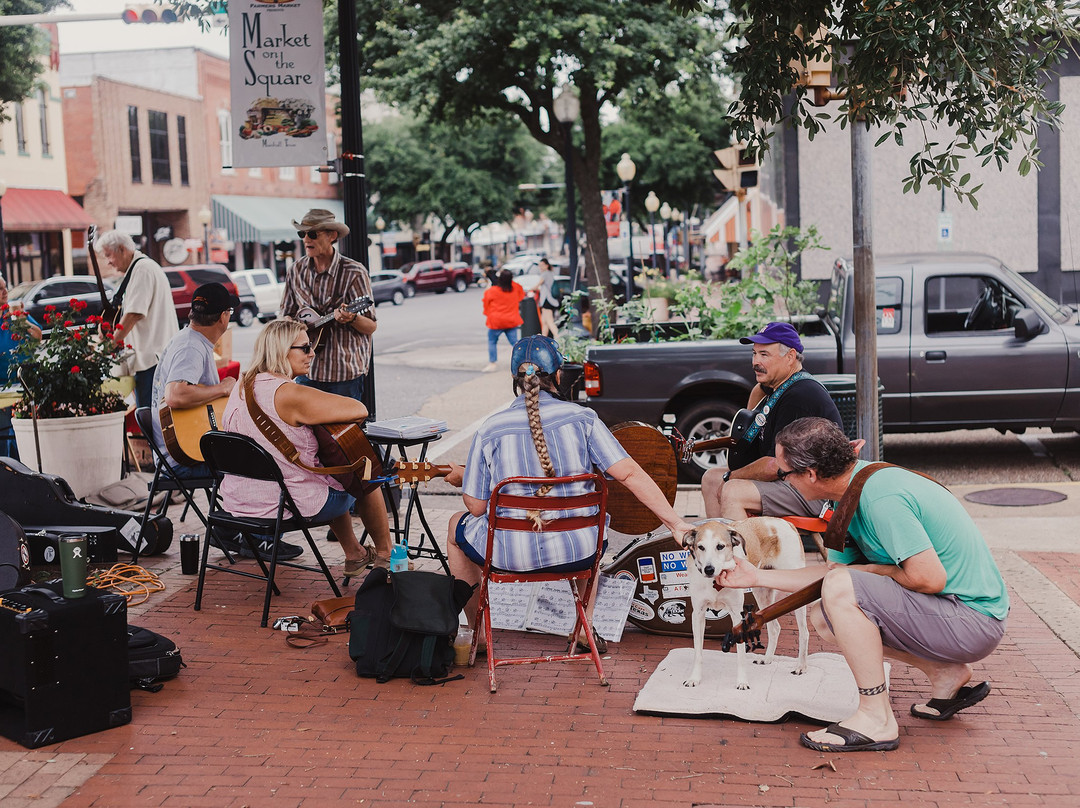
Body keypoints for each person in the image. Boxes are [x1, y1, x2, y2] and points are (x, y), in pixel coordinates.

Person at [717, 416, 1009, 752]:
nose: (780, 480)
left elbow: (929, 578)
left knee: (842, 590)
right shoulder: (852, 491)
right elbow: (828, 578)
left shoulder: (880, 496)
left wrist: (869, 571)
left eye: (783, 474)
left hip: (974, 621)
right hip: (954, 615)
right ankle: (944, 673)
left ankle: (876, 718)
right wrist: (755, 577)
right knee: (825, 616)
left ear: (811, 474)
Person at [447, 335, 696, 648]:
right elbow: (630, 473)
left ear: (514, 379)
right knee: (586, 522)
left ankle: (479, 635)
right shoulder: (583, 419)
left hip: (510, 555)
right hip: (578, 552)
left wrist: (465, 479)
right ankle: (584, 628)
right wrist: (676, 524)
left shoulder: (490, 428)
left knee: (456, 524)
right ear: (559, 376)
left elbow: (476, 508)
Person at [218, 319, 392, 575]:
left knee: (324, 473)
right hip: (285, 503)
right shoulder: (289, 394)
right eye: (305, 347)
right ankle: (387, 556)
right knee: (365, 473)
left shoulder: (242, 385)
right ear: (281, 350)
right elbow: (359, 409)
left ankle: (355, 553)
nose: (313, 353)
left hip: (239, 500)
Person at [700, 321, 845, 522]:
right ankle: (718, 548)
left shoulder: (800, 395)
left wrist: (731, 477)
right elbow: (749, 437)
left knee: (732, 490)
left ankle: (742, 552)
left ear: (790, 357)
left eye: (764, 355)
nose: (755, 362)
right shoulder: (780, 387)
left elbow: (774, 465)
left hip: (815, 492)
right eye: (754, 353)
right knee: (711, 479)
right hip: (790, 480)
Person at [280, 209, 377, 402]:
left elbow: (371, 326)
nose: (306, 239)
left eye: (313, 234)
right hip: (307, 373)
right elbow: (285, 316)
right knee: (307, 433)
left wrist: (352, 318)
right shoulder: (295, 270)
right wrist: (297, 328)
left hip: (343, 375)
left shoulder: (354, 272)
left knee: (344, 432)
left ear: (332, 236)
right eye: (303, 233)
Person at [96, 230, 178, 409]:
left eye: (109, 255)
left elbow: (134, 313)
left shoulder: (142, 269)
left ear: (122, 249)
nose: (108, 262)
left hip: (151, 361)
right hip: (153, 358)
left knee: (150, 419)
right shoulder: (141, 268)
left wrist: (109, 345)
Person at [0, 276, 42, 459]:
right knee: (4, 433)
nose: (4, 292)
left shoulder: (15, 313)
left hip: (26, 380)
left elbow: (37, 337)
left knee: (26, 432)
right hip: (3, 386)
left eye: (4, 287)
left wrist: (22, 322)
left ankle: (26, 466)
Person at [481, 269, 525, 372]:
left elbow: (486, 303)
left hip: (496, 321)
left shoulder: (492, 291)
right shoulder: (515, 288)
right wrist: (509, 279)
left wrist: (489, 314)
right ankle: (522, 363)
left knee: (492, 341)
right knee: (515, 343)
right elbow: (521, 296)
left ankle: (492, 363)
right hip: (511, 320)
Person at [536, 258, 560, 339]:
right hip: (549, 300)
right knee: (544, 322)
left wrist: (528, 289)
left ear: (547, 265)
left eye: (542, 265)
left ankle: (558, 338)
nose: (540, 267)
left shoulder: (545, 274)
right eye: (539, 266)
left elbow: (537, 285)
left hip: (547, 300)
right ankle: (544, 339)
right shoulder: (551, 273)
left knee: (549, 321)